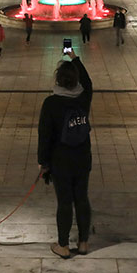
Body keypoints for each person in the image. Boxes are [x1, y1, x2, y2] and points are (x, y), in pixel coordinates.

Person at [37, 49, 94, 258]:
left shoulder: (51, 103)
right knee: (82, 198)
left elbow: (44, 134)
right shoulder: (84, 97)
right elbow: (88, 81)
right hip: (82, 156)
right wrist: (75, 58)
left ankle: (62, 245)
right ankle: (84, 242)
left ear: (58, 80)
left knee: (64, 202)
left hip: (60, 160)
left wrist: (42, 162)